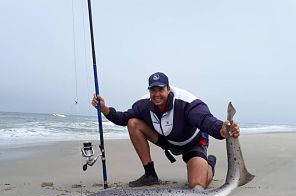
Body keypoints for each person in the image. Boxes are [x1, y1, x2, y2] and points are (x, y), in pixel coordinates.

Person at [91, 72, 240, 189]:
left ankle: (210, 164)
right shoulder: (143, 104)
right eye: (152, 90)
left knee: (197, 185)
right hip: (168, 140)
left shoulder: (186, 103)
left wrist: (222, 129)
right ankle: (150, 174)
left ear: (168, 88)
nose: (157, 94)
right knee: (132, 122)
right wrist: (104, 109)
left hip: (192, 142)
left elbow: (206, 121)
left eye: (161, 89)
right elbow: (123, 118)